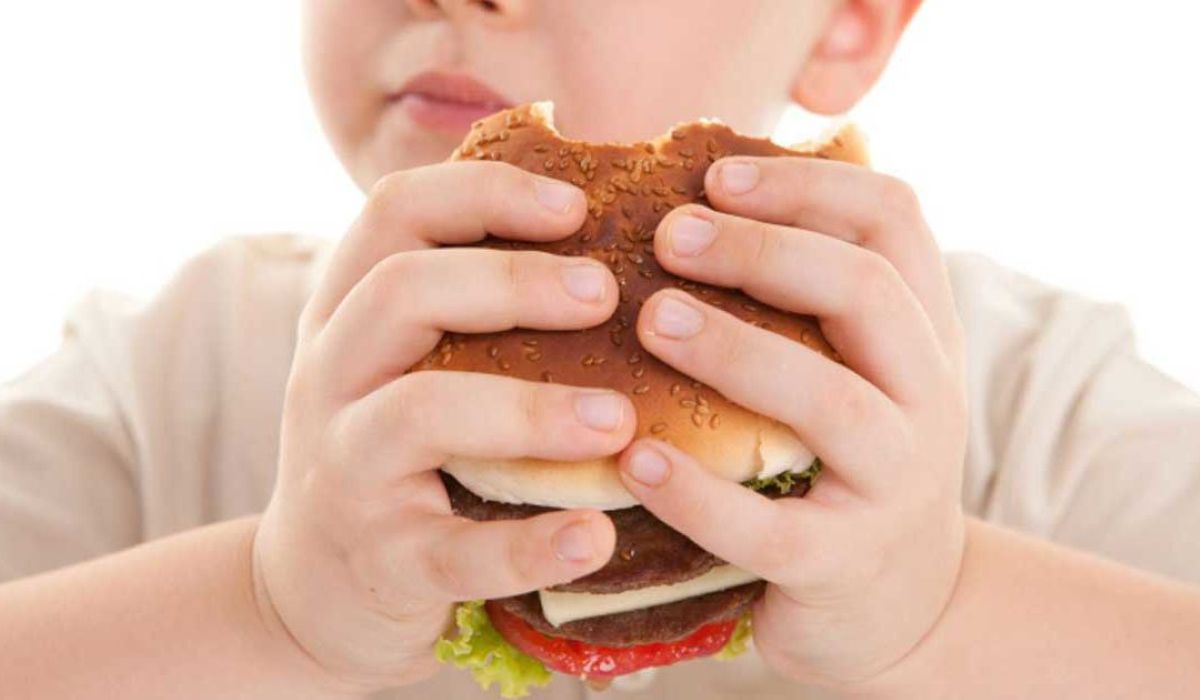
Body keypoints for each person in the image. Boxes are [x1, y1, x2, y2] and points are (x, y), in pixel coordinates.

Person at [2, 1, 1199, 698]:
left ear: (846, 20)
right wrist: (268, 607)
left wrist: (946, 603)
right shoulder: (172, 380)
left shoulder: (1035, 405)